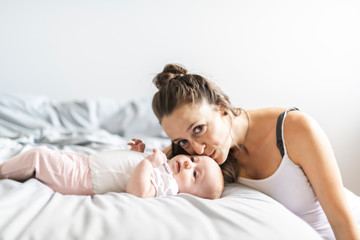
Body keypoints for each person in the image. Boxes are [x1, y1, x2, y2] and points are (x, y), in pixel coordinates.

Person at [151, 63, 360, 240]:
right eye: (182, 141)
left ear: (222, 107)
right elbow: (152, 165)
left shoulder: (294, 129)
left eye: (199, 129)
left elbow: (342, 222)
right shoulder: (192, 156)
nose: (197, 149)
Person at [0, 139, 224, 199]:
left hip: (83, 178)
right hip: (86, 163)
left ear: (190, 194)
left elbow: (139, 191)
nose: (188, 163)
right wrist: (138, 153)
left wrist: (146, 163)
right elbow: (129, 167)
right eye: (194, 159)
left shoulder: (169, 186)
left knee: (39, 156)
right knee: (46, 159)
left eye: (194, 174)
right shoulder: (165, 168)